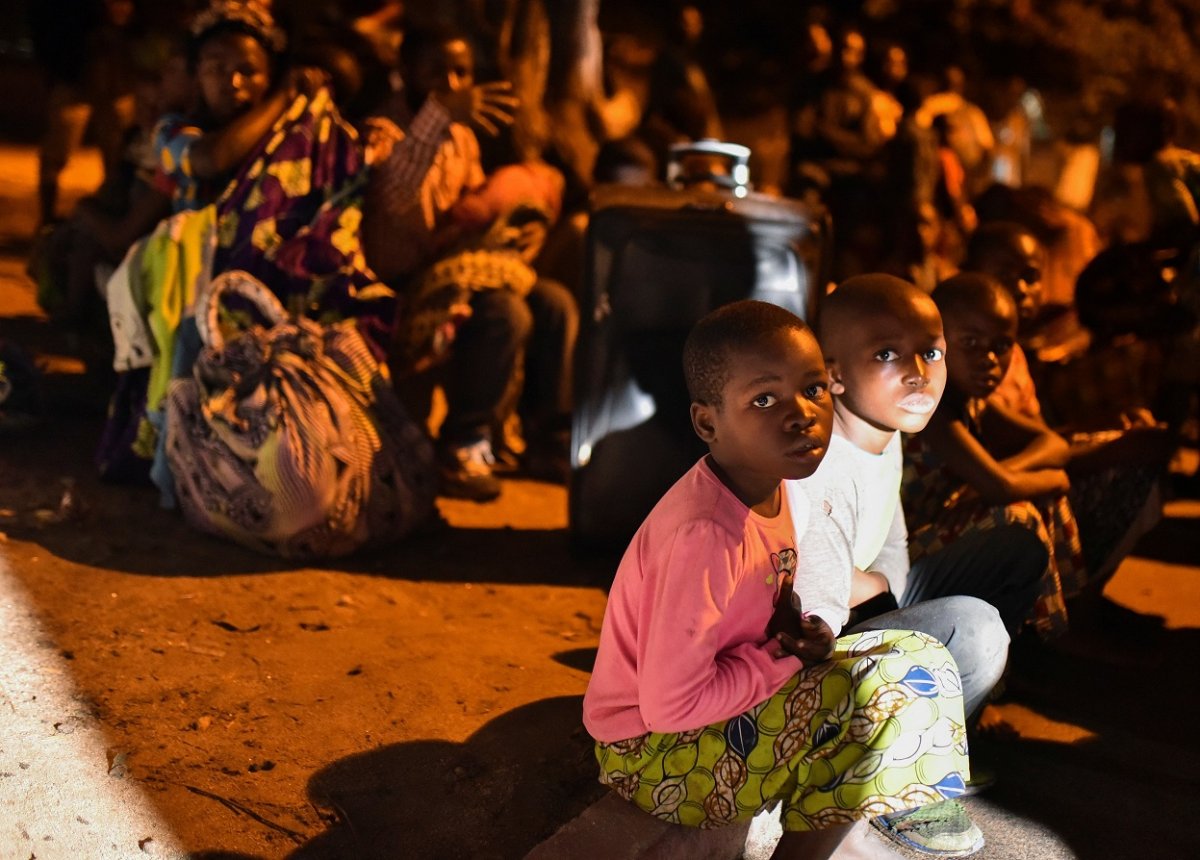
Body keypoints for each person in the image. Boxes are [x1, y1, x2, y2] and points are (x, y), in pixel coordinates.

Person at [584, 300, 973, 859]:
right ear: (707, 423)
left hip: (711, 720)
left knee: (919, 654)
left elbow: (758, 616)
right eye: (764, 399)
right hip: (651, 756)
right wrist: (787, 662)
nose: (801, 414)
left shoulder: (781, 489)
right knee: (888, 688)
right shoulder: (706, 533)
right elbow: (671, 706)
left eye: (813, 390)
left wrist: (804, 635)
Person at [787, 274, 1042, 851]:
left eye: (930, 352)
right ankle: (901, 779)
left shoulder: (885, 425)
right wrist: (889, 600)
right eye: (886, 353)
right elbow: (810, 588)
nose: (917, 372)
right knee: (976, 630)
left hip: (867, 605)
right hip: (814, 641)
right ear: (834, 374)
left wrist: (888, 591)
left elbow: (893, 546)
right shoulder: (823, 460)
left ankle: (940, 734)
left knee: (1015, 546)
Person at [363, 24, 579, 501]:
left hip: (454, 277)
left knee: (555, 303)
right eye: (437, 72)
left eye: (461, 73)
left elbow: (467, 215)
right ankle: (463, 442)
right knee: (504, 313)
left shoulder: (461, 140)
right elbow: (398, 201)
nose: (453, 84)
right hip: (398, 290)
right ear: (406, 72)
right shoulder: (383, 131)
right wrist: (438, 117)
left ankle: (550, 439)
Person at [902, 274, 1087, 640]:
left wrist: (1004, 474)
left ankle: (1073, 621)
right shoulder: (930, 408)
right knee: (1019, 515)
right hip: (902, 555)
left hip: (935, 529)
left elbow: (1051, 443)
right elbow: (1001, 489)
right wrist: (1044, 477)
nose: (988, 359)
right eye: (970, 343)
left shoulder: (971, 401)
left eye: (1001, 345)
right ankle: (1034, 640)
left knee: (1038, 497)